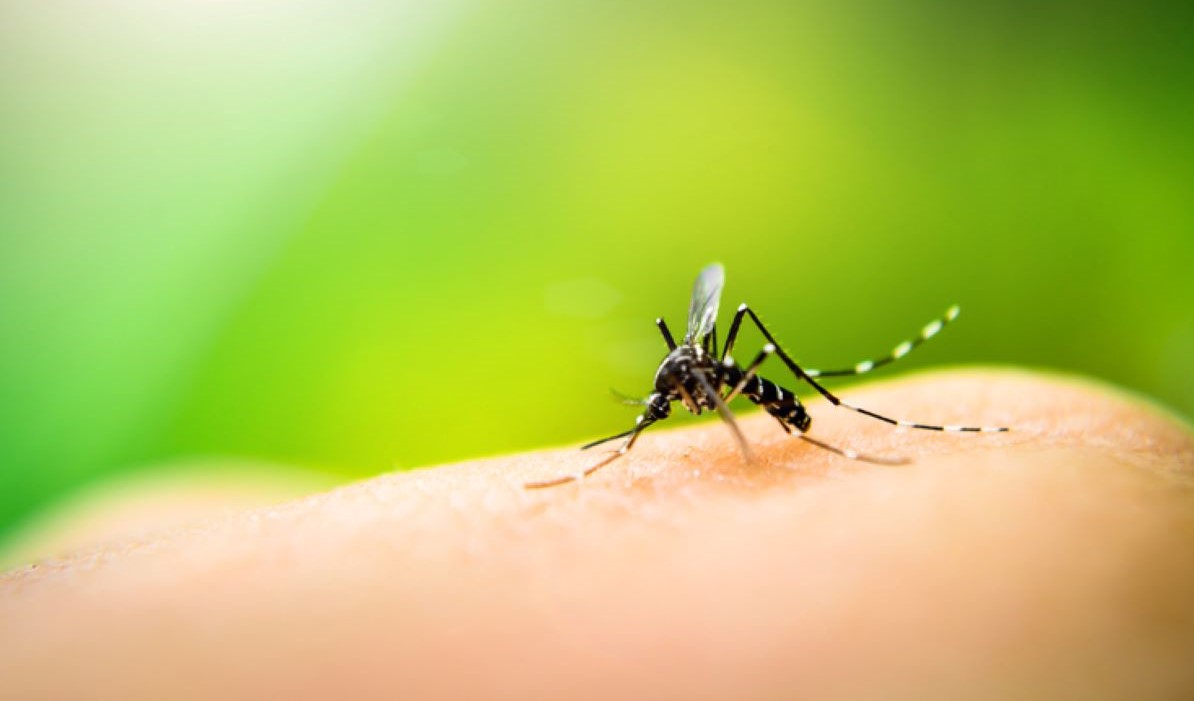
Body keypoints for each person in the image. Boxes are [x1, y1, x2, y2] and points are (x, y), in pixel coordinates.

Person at [2, 369, 1192, 700]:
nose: (670, 407)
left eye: (668, 402)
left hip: (807, 409)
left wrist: (771, 425)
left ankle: (840, 413)